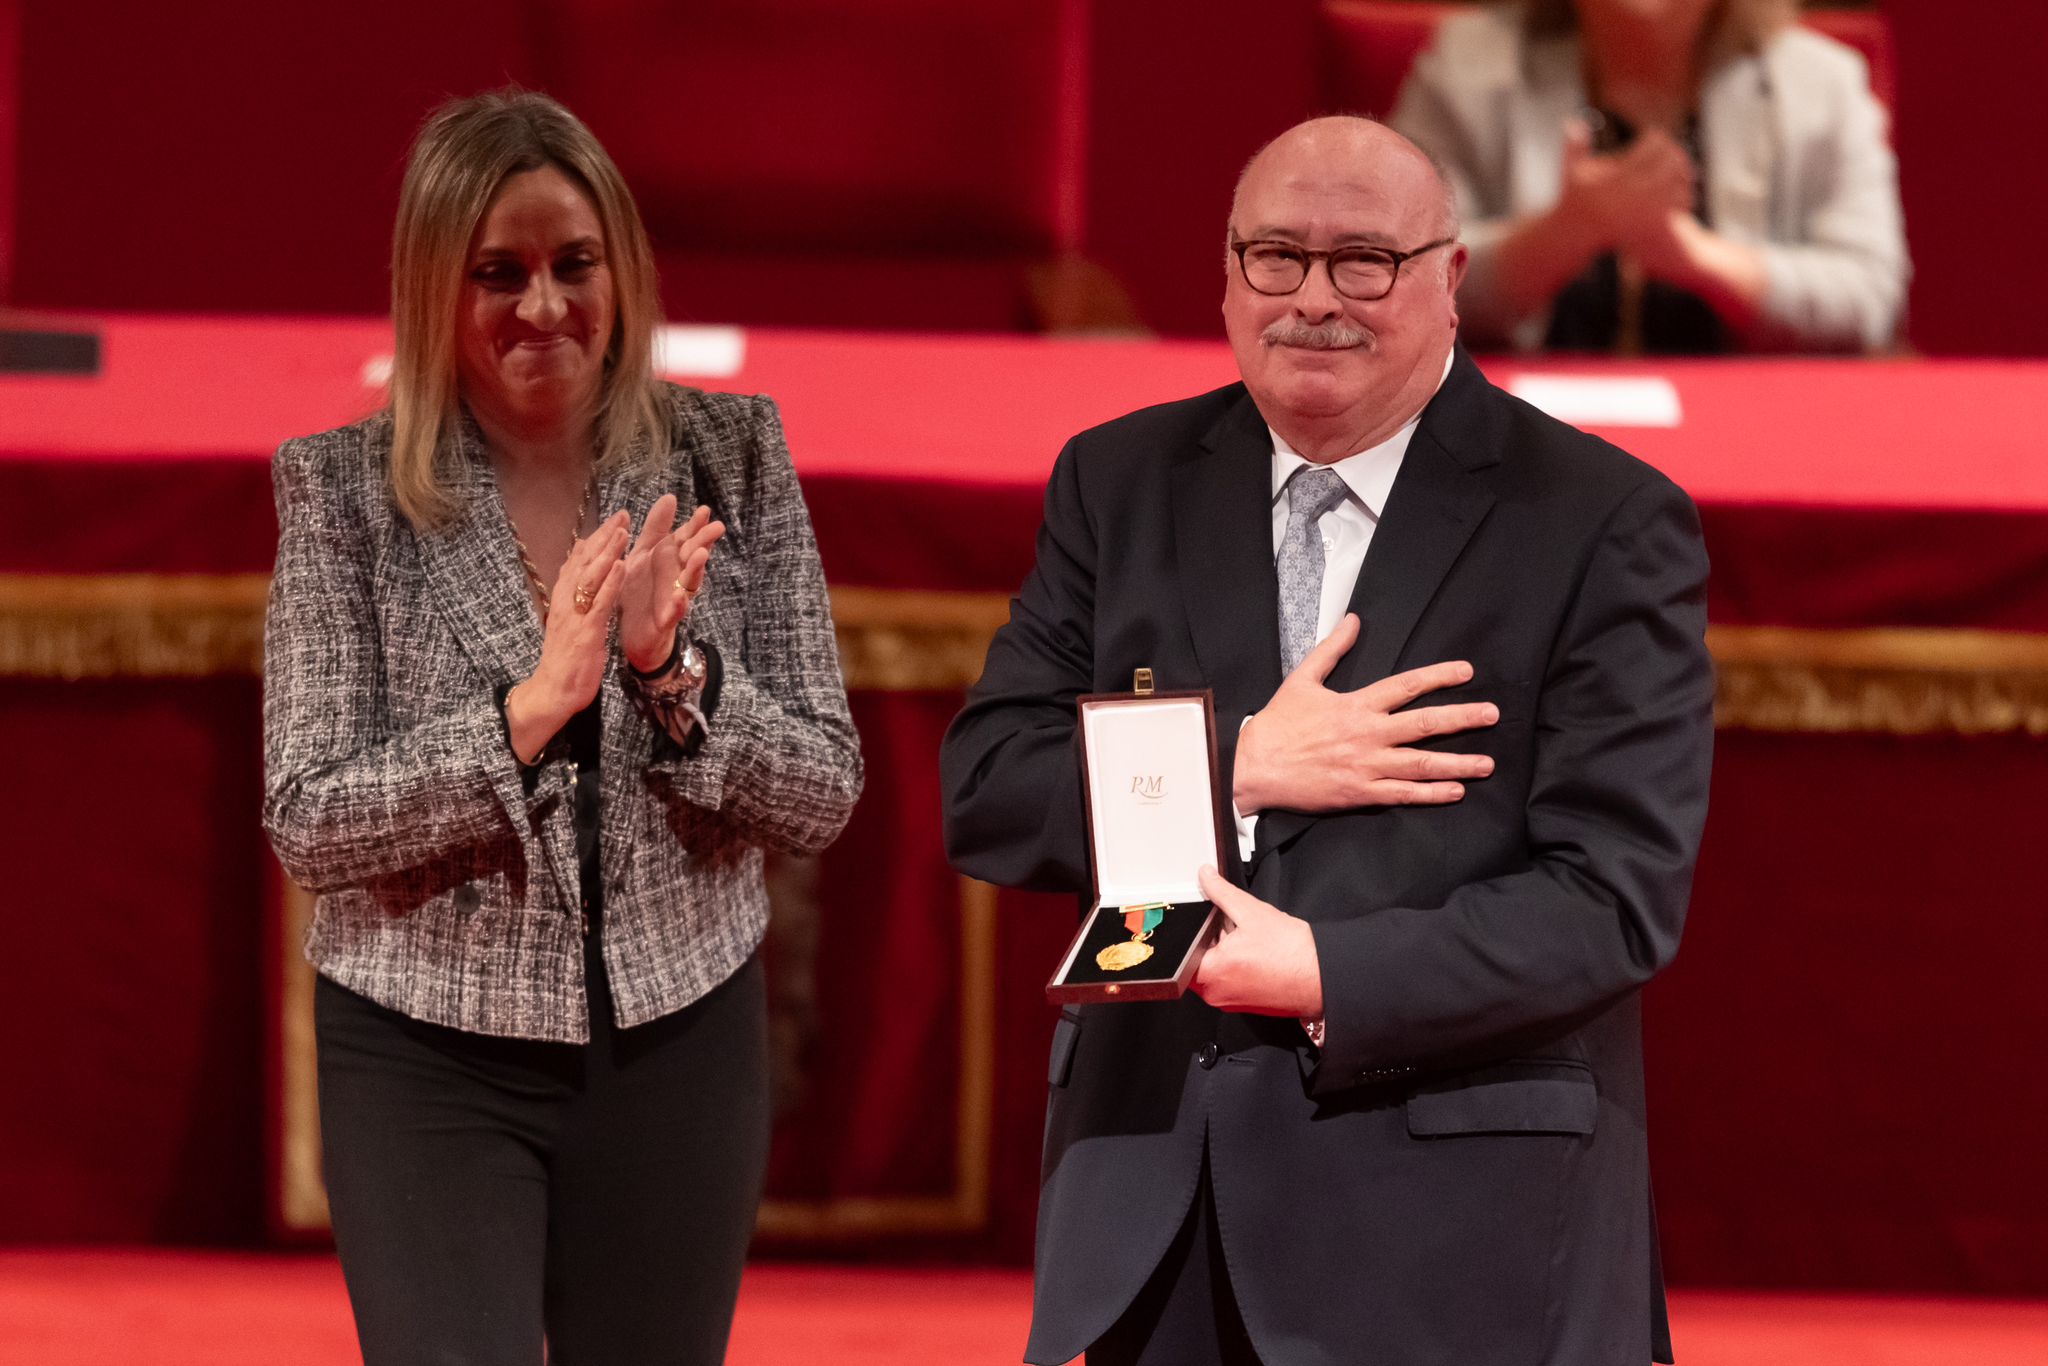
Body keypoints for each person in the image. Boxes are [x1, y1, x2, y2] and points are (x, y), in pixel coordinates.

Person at [941, 115, 1712, 1365]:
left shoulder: (1598, 520)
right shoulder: (1118, 479)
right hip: (1159, 1215)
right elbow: (986, 788)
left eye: (1363, 260)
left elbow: (1613, 901)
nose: (1312, 300)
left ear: (1449, 278)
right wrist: (1236, 764)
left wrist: (1326, 975)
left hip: (1456, 1232)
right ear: (1225, 269)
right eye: (1274, 257)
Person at [262, 88, 861, 1366]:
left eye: (573, 264)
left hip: (680, 1043)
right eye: (499, 272)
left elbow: (821, 789)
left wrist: (670, 670)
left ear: (622, 271)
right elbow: (309, 818)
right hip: (427, 1055)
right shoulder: (343, 491)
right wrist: (526, 715)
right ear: (435, 290)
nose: (544, 306)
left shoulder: (729, 452)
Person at [1390, 0, 1908, 353]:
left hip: (1753, 437)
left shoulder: (1823, 82)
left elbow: (1870, 297)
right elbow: (1396, 278)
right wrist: (1561, 235)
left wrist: (1700, 259)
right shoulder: (1464, 69)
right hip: (1520, 450)